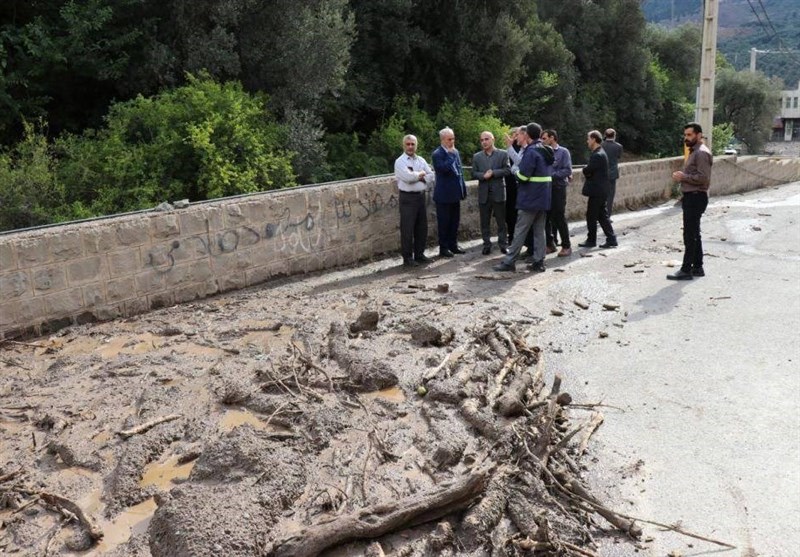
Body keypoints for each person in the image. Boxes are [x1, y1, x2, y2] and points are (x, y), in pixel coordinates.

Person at [493, 122, 553, 273]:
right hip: (543, 198)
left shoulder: (531, 152)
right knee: (540, 232)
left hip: (530, 199)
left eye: (520, 134)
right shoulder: (546, 149)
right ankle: (539, 262)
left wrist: (514, 170)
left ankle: (509, 261)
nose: (518, 136)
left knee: (520, 230)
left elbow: (523, 176)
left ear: (526, 135)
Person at [667, 122, 712, 280]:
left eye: (689, 135)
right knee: (694, 233)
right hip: (692, 196)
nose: (686, 138)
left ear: (698, 135)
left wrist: (683, 177)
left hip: (695, 197)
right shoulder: (695, 152)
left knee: (690, 234)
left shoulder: (701, 153)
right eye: (685, 135)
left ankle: (686, 270)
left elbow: (703, 178)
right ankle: (697, 267)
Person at [394, 134, 435, 267]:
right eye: (408, 144)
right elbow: (407, 177)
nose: (410, 146)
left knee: (421, 227)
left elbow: (431, 176)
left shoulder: (421, 160)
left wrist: (418, 176)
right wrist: (421, 175)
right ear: (404, 145)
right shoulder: (400, 161)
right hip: (407, 198)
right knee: (407, 229)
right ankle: (407, 258)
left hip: (420, 196)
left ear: (416, 145)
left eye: (413, 144)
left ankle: (419, 254)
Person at [472, 131, 511, 255]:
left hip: (498, 192)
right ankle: (486, 245)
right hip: (484, 193)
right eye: (482, 140)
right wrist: (483, 176)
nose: (484, 142)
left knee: (501, 221)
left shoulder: (503, 154)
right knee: (484, 221)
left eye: (486, 139)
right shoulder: (477, 157)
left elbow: (508, 170)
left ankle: (503, 244)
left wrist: (493, 173)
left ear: (493, 139)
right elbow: (474, 173)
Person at [578, 130, 618, 249]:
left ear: (594, 139)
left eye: (588, 139)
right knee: (602, 216)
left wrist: (586, 170)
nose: (587, 141)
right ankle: (611, 239)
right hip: (601, 190)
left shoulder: (597, 155)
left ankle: (591, 240)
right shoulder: (599, 153)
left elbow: (588, 170)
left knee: (591, 216)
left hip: (597, 191)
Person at [432, 127, 467, 257]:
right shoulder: (437, 154)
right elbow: (443, 169)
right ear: (442, 140)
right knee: (444, 223)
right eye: (449, 139)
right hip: (443, 195)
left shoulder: (455, 152)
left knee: (454, 222)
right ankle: (444, 248)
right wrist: (451, 155)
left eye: (453, 138)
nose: (452, 141)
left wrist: (462, 190)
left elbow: (460, 172)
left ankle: (453, 245)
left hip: (455, 194)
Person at [541, 129, 573, 257]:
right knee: (545, 217)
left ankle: (566, 245)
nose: (542, 141)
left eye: (544, 138)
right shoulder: (542, 152)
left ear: (552, 138)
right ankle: (550, 244)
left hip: (558, 188)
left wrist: (551, 176)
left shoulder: (563, 152)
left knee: (559, 216)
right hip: (545, 189)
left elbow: (567, 170)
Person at [504, 126, 525, 245]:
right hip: (510, 185)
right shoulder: (509, 150)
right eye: (514, 135)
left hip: (520, 184)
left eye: (517, 135)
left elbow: (519, 163)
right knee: (510, 213)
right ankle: (512, 236)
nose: (516, 137)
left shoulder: (523, 149)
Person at [602, 128, 623, 218]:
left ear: (605, 135)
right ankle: (607, 216)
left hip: (602, 174)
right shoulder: (618, 146)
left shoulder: (601, 145)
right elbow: (618, 156)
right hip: (612, 174)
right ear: (614, 136)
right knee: (610, 196)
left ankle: (600, 215)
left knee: (601, 195)